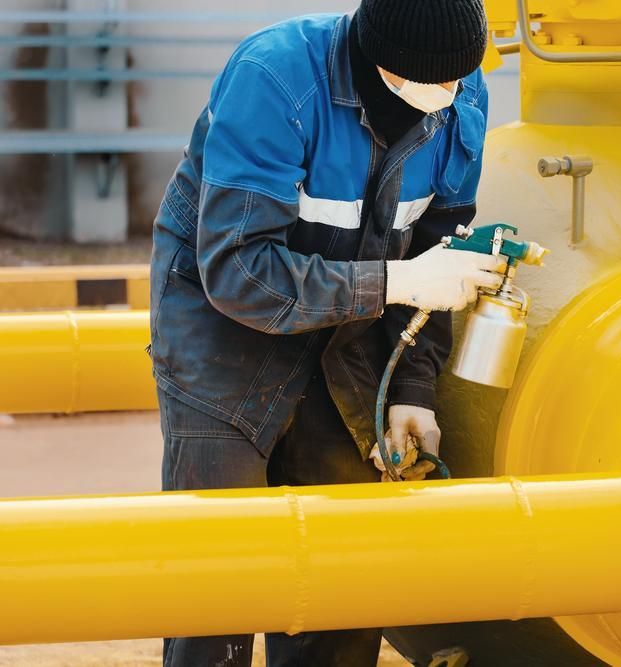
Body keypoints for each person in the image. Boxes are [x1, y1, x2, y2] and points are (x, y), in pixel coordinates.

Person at [148, 1, 497, 664]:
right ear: (379, 58)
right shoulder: (277, 78)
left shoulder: (457, 91)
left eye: (461, 80)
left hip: (349, 335)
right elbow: (238, 269)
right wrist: (396, 283)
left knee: (341, 583)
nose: (450, 97)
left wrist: (411, 392)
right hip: (220, 337)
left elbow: (434, 248)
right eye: (437, 82)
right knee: (221, 580)